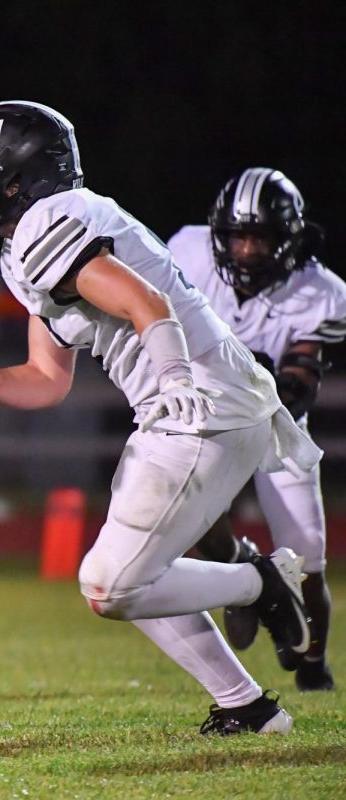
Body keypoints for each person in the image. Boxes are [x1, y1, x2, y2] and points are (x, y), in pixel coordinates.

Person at [0, 101, 322, 735]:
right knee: (133, 572)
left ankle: (259, 583)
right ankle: (247, 707)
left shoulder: (45, 224)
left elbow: (147, 303)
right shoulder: (23, 245)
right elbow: (48, 379)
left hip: (203, 405)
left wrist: (173, 380)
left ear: (17, 181)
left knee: (108, 584)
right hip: (195, 405)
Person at [169, 168, 344, 691]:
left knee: (308, 551)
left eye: (260, 237)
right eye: (237, 236)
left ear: (288, 240)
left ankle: (313, 662)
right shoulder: (188, 250)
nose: (245, 250)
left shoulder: (323, 292)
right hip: (207, 418)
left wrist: (253, 381)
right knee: (192, 521)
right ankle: (244, 568)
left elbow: (300, 382)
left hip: (278, 423)